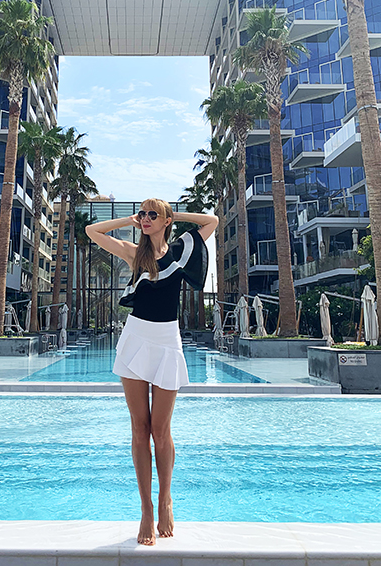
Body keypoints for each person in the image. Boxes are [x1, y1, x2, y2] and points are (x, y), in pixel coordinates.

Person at [86, 199, 218, 546]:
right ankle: (145, 509)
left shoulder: (179, 251)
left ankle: (165, 499)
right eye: (142, 214)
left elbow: (212, 221)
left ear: (165, 220)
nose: (145, 219)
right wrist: (127, 221)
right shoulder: (135, 254)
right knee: (139, 428)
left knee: (161, 430)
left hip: (167, 341)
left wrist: (174, 214)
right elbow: (92, 231)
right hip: (136, 338)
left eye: (151, 215)